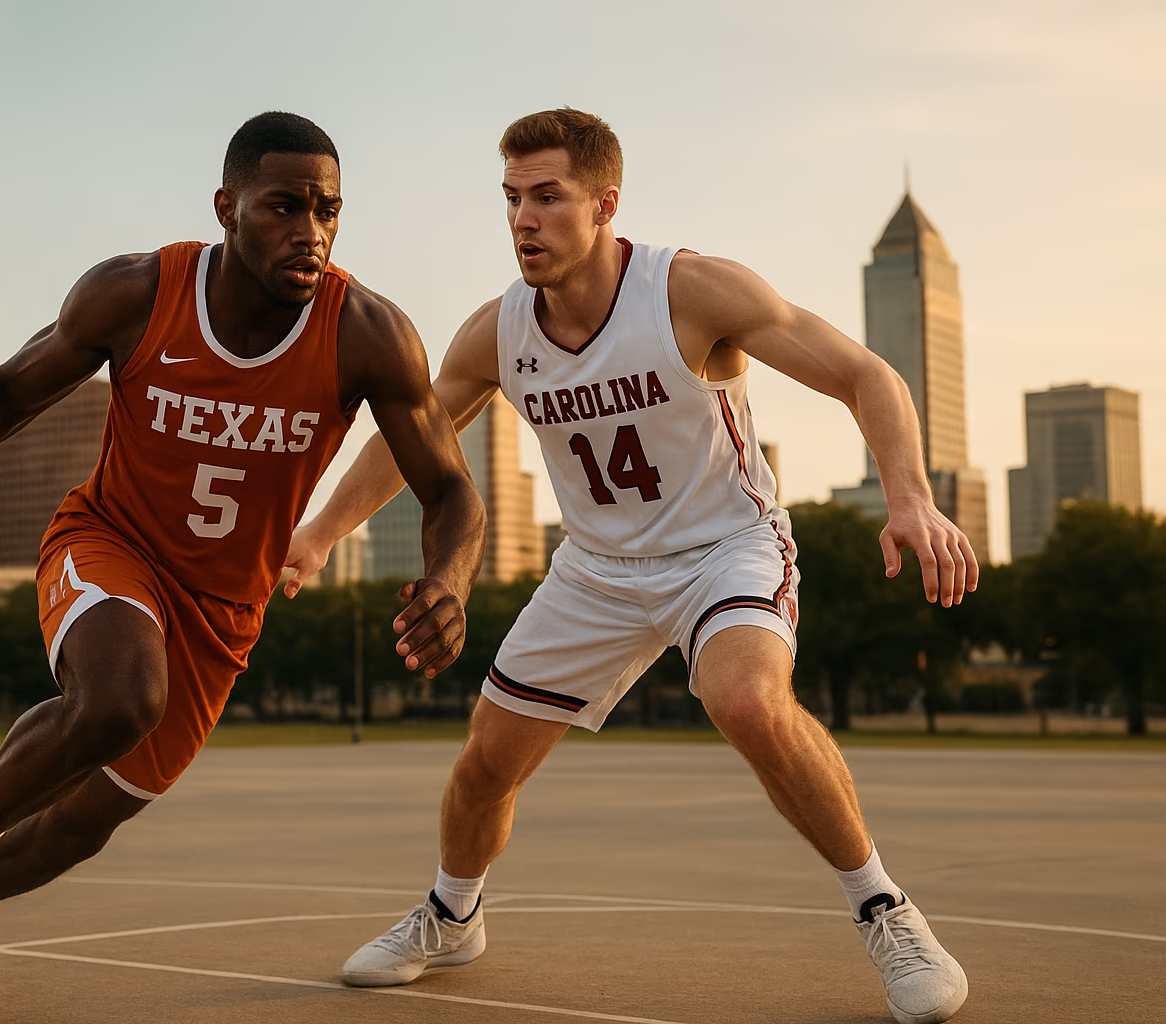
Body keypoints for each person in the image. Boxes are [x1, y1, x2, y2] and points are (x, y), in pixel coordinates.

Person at [0, 111, 486, 1021]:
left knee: (76, 827)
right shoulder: (136, 291)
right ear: (228, 208)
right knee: (119, 699)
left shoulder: (369, 332)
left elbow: (453, 492)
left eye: (329, 210)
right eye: (284, 206)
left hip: (224, 609)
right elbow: (3, 396)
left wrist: (451, 580)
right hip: (109, 541)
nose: (310, 231)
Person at [286, 108, 976, 1024]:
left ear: (605, 203)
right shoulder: (498, 331)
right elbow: (411, 436)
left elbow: (867, 375)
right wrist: (321, 530)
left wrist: (910, 497)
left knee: (748, 704)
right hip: (597, 569)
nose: (523, 220)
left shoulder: (691, 293)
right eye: (510, 199)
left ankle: (885, 909)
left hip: (725, 547)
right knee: (486, 764)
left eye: (546, 197)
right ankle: (453, 916)